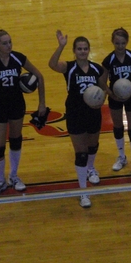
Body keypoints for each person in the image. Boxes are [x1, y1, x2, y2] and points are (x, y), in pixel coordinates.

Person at [0, 29, 47, 196]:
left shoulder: (18, 58)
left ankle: (13, 176)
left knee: (16, 140)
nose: (9, 45)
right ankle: (0, 180)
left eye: (10, 42)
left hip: (16, 105)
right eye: (4, 43)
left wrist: (42, 103)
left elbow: (39, 76)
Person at [49, 30, 108, 208]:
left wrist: (102, 99)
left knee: (93, 145)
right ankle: (83, 192)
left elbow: (104, 88)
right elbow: (52, 64)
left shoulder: (98, 69)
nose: (82, 51)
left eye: (85, 48)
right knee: (80, 153)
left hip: (93, 112)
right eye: (79, 49)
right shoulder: (69, 67)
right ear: (74, 51)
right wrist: (61, 46)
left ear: (89, 50)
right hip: (75, 112)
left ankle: (91, 168)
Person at [101, 28, 131, 179]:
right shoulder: (108, 60)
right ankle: (121, 157)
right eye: (117, 43)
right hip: (115, 97)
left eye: (123, 43)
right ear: (112, 42)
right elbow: (102, 80)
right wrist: (110, 93)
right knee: (118, 126)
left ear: (127, 42)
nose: (120, 46)